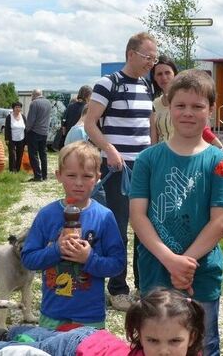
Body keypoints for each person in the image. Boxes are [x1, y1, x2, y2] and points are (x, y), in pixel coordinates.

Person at [129, 69, 223, 356]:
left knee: (204, 343)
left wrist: (185, 263)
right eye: (181, 106)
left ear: (210, 111)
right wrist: (170, 261)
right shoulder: (148, 159)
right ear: (168, 108)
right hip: (155, 270)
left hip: (202, 274)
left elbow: (221, 221)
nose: (188, 113)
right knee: (154, 344)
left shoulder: (219, 160)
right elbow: (138, 216)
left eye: (197, 106)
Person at [84, 32, 157, 312]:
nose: (151, 62)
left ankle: (143, 286)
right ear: (131, 54)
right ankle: (117, 288)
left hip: (143, 165)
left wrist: (154, 152)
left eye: (154, 58)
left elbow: (148, 125)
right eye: (148, 57)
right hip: (116, 165)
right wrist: (109, 150)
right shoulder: (107, 84)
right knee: (118, 228)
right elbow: (91, 123)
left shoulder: (146, 85)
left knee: (144, 227)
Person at [22, 141, 126, 329]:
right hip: (52, 313)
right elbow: (28, 259)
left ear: (97, 178)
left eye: (87, 176)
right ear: (58, 176)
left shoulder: (104, 217)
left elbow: (117, 264)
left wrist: (89, 258)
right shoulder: (47, 215)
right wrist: (56, 250)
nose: (79, 183)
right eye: (71, 175)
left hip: (90, 316)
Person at [0, 288, 206, 356]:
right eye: (153, 341)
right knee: (11, 351)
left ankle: (7, 330)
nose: (164, 350)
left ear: (191, 338)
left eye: (174, 341)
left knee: (35, 338)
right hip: (73, 347)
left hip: (89, 338)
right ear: (139, 336)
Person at [25, 89, 52, 182]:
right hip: (44, 132)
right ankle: (44, 175)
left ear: (34, 95)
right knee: (43, 154)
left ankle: (37, 175)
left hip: (34, 131)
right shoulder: (48, 102)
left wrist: (27, 130)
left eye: (31, 95)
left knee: (33, 155)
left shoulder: (34, 103)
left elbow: (31, 120)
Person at [150, 54, 178, 143]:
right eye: (159, 74)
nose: (164, 77)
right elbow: (154, 135)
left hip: (183, 152)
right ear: (154, 77)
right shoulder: (154, 104)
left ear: (175, 74)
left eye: (167, 72)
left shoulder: (186, 100)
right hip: (161, 154)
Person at [4, 101, 26, 172]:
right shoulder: (9, 117)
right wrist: (6, 139)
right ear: (13, 108)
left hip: (21, 139)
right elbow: (7, 129)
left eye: (19, 107)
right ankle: (12, 169)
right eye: (16, 107)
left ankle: (18, 168)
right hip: (11, 139)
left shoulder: (23, 117)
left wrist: (26, 141)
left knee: (20, 154)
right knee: (12, 155)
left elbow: (26, 128)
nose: (18, 109)